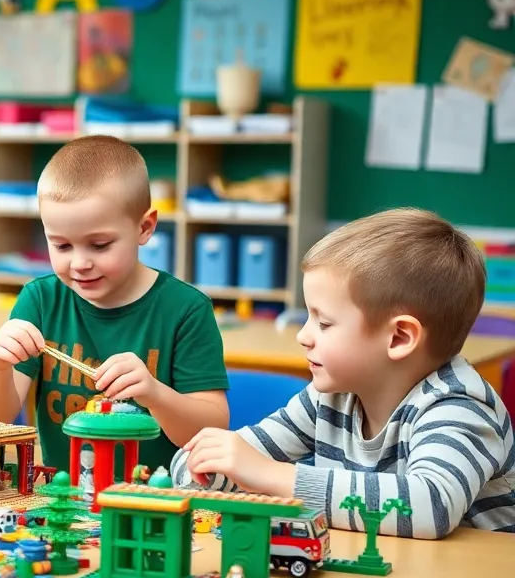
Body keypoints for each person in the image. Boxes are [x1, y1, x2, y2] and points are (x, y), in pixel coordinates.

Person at [172, 208, 515, 538]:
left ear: (398, 337)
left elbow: (430, 507)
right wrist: (205, 466)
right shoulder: (332, 395)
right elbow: (215, 463)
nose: (303, 336)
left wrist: (270, 475)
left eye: (323, 322)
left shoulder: (459, 407)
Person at [0, 135, 229, 473]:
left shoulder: (186, 310)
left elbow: (210, 431)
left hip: (155, 499)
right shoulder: (40, 300)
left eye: (99, 245)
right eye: (62, 246)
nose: (79, 263)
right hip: (62, 499)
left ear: (144, 227)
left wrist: (154, 393)